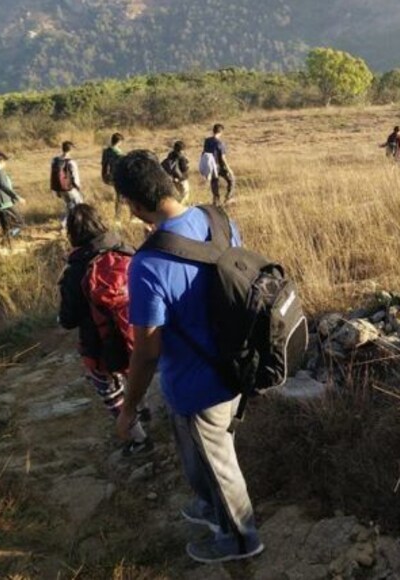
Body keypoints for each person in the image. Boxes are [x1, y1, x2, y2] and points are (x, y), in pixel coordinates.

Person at [113, 150, 263, 564]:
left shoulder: (146, 264)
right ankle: (210, 507)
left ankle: (240, 539)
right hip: (236, 362)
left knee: (220, 462)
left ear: (134, 204)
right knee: (201, 450)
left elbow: (146, 351)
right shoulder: (218, 218)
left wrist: (128, 409)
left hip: (198, 383)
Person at [58, 204, 153, 458]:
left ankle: (138, 439)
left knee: (109, 390)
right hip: (139, 333)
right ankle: (143, 408)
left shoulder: (75, 270)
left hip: (98, 345)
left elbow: (67, 319)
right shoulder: (126, 251)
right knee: (135, 371)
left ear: (72, 233)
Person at [0, 151, 25, 243]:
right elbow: (4, 186)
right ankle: (6, 239)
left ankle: (7, 245)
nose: (5, 164)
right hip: (4, 203)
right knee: (20, 223)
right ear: (1, 161)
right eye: (5, 161)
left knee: (5, 225)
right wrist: (17, 197)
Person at [52, 141, 85, 229]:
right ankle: (72, 224)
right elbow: (75, 176)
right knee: (79, 204)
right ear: (71, 150)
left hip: (59, 188)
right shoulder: (71, 162)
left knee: (68, 205)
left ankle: (65, 223)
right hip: (70, 188)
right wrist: (78, 187)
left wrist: (55, 189)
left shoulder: (55, 160)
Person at [199, 124, 234, 206]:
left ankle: (216, 200)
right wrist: (229, 169)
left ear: (213, 130)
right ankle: (228, 197)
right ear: (221, 132)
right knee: (231, 179)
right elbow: (222, 157)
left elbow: (204, 152)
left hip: (210, 165)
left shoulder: (207, 141)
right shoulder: (220, 143)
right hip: (219, 165)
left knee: (214, 182)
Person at [102, 133, 126, 219]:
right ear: (119, 141)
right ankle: (118, 217)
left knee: (120, 196)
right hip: (118, 176)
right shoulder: (118, 153)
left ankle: (118, 217)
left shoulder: (106, 151)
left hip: (107, 176)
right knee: (121, 196)